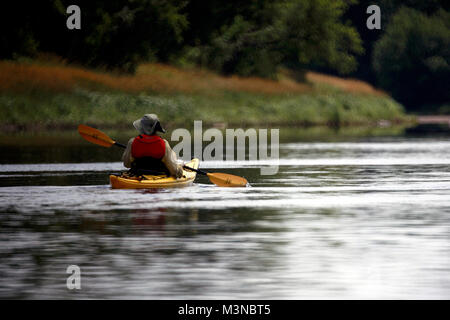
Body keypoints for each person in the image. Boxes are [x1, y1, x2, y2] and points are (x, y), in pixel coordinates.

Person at [122, 114, 183, 178]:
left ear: (142, 127)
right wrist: (179, 168)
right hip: (159, 176)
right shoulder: (164, 143)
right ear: (156, 128)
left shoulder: (132, 142)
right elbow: (173, 170)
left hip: (138, 175)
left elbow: (127, 164)